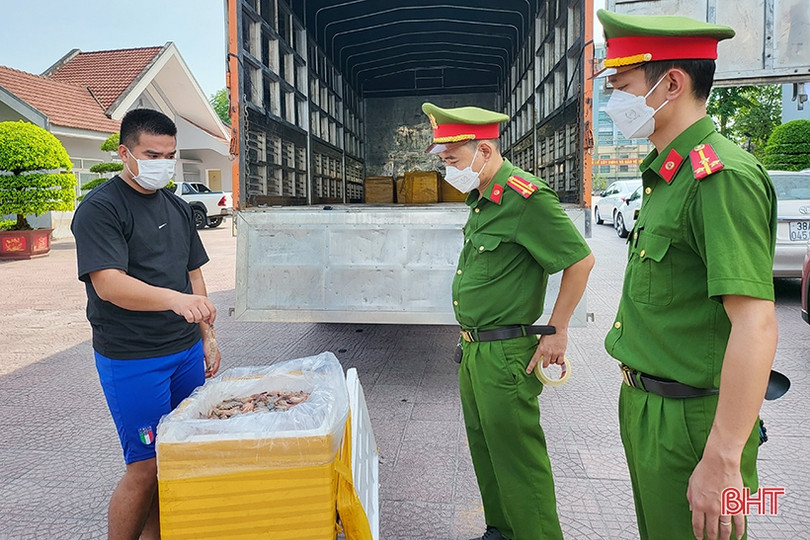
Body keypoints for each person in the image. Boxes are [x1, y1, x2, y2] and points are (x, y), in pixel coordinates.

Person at [596, 9, 778, 540]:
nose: (613, 103)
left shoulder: (719, 177)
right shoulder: (668, 175)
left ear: (671, 84)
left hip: (694, 421)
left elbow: (756, 325)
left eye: (622, 87)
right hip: (651, 407)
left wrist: (723, 457)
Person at [422, 103, 594, 540]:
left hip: (505, 353)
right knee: (486, 450)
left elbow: (580, 260)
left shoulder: (524, 197)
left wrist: (557, 330)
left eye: (452, 160)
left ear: (483, 150)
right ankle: (501, 529)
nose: (448, 171)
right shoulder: (482, 198)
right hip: (475, 349)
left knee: (519, 461)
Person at [71, 108, 221, 539]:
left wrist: (207, 335)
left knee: (180, 454)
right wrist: (175, 301)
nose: (162, 164)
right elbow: (109, 285)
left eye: (169, 155)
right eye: (152, 155)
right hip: (134, 358)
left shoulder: (176, 206)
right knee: (145, 465)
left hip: (185, 352)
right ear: (125, 153)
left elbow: (193, 274)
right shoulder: (101, 208)